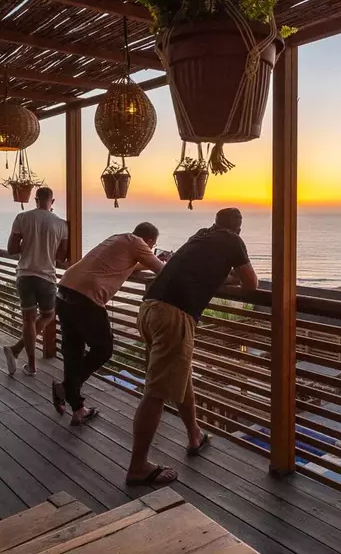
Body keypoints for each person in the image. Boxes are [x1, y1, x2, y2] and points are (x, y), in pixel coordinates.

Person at [125, 208, 258, 486]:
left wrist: (224, 275)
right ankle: (138, 467)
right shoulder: (232, 240)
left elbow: (198, 270)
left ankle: (194, 435)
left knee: (178, 376)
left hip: (149, 308)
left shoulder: (199, 236)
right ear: (239, 228)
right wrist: (234, 273)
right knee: (156, 393)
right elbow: (252, 284)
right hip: (175, 314)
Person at [53, 222, 166, 425]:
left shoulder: (119, 238)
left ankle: (78, 409)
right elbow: (161, 270)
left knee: (73, 351)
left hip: (64, 290)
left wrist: (152, 258)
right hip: (86, 297)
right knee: (103, 349)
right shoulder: (139, 243)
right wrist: (167, 261)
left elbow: (130, 265)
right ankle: (67, 388)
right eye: (152, 247)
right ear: (149, 241)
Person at [4, 187, 69, 376]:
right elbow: (62, 257)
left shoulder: (22, 218)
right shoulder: (60, 224)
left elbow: (11, 249)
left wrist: (25, 244)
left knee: (28, 320)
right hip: (47, 276)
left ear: (35, 199)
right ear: (52, 201)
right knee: (48, 315)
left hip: (25, 274)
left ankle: (28, 362)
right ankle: (17, 351)